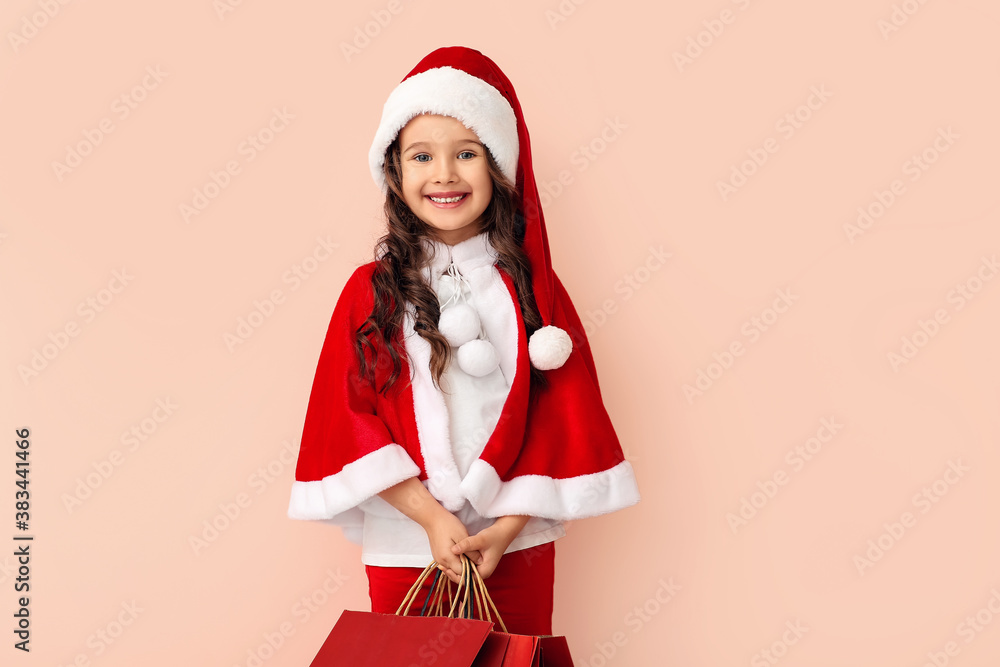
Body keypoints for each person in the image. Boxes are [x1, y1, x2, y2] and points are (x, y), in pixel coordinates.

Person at [287, 46, 640, 636]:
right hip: (406, 542)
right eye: (421, 155)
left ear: (497, 166)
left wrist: (503, 528)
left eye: (466, 153)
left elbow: (562, 412)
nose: (444, 174)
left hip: (514, 540)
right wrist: (428, 516)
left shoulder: (535, 290)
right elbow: (347, 415)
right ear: (395, 172)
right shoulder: (370, 292)